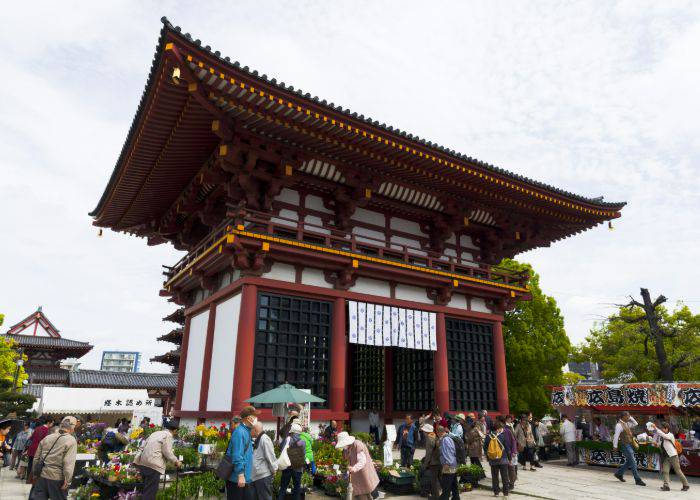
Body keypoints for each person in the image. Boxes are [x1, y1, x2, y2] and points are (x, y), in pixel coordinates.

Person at [29, 416, 78, 500]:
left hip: (42, 475)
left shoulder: (48, 437)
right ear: (73, 427)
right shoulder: (71, 440)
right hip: (57, 478)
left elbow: (36, 457)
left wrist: (35, 473)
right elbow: (68, 462)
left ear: (61, 425)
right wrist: (67, 479)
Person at [133, 418, 182, 499]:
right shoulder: (168, 436)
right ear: (175, 430)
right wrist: (176, 461)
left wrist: (136, 460)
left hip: (143, 463)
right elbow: (167, 452)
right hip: (154, 465)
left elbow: (142, 446)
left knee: (144, 490)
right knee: (150, 492)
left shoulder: (156, 433)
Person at [226, 406, 259, 500]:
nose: (257, 419)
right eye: (255, 416)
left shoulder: (245, 431)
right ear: (249, 418)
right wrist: (240, 474)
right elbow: (237, 455)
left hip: (245, 478)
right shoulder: (240, 432)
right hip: (238, 479)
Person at [336, 431, 380, 500]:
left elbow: (362, 461)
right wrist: (349, 469)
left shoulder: (357, 445)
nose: (342, 447)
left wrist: (353, 468)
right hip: (356, 474)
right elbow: (349, 459)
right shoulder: (348, 447)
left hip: (363, 472)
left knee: (363, 492)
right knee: (361, 491)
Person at [650, 421, 689, 492]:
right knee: (665, 471)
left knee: (678, 471)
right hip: (666, 457)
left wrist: (655, 428)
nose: (662, 430)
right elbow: (662, 444)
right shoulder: (663, 436)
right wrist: (657, 444)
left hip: (673, 456)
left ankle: (686, 484)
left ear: (667, 428)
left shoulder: (670, 435)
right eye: (661, 428)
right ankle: (666, 486)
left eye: (663, 428)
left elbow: (665, 436)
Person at [612, 411, 645, 486]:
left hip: (629, 444)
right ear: (623, 416)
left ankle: (619, 474)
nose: (629, 417)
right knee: (633, 461)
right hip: (625, 445)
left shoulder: (626, 423)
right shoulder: (619, 425)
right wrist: (615, 446)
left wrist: (630, 417)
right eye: (628, 416)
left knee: (630, 461)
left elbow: (636, 423)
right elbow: (616, 436)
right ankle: (637, 479)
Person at [278, 422, 306, 500]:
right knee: (297, 488)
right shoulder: (303, 442)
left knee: (283, 487)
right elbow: (303, 454)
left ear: (292, 431)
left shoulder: (287, 439)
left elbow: (281, 449)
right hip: (298, 468)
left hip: (287, 466)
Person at [484, 421, 512, 497]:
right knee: (504, 476)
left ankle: (496, 492)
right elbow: (507, 448)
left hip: (493, 460)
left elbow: (485, 448)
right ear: (498, 428)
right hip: (503, 459)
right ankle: (505, 492)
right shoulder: (503, 436)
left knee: (495, 476)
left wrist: (488, 458)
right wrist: (510, 459)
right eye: (501, 428)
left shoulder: (488, 436)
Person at [251, 422, 277, 500]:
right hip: (258, 475)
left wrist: (274, 469)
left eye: (251, 429)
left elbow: (270, 456)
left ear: (255, 430)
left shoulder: (264, 439)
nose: (250, 431)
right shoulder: (259, 438)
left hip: (263, 475)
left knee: (265, 497)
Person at [436, 425, 459, 500]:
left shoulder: (445, 440)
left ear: (438, 432)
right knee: (453, 485)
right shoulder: (449, 438)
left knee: (446, 487)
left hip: (448, 465)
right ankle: (456, 498)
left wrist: (447, 463)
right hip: (453, 464)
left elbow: (448, 452)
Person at [26, 416, 50, 484]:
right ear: (49, 422)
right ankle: (33, 479)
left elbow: (31, 438)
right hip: (38, 449)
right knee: (36, 465)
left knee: (30, 464)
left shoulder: (37, 428)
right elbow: (45, 441)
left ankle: (28, 479)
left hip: (32, 448)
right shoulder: (46, 430)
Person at [421, 423, 441, 500]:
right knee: (440, 478)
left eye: (424, 431)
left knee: (434, 480)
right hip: (439, 460)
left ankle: (435, 497)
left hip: (433, 462)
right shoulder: (435, 436)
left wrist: (425, 464)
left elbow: (429, 453)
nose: (423, 432)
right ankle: (445, 494)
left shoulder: (429, 438)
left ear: (426, 431)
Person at [501, 416, 519, 490]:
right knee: (507, 469)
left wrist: (514, 451)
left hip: (510, 452)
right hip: (503, 453)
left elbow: (513, 440)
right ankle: (509, 482)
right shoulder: (498, 432)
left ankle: (511, 483)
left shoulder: (507, 430)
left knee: (511, 468)